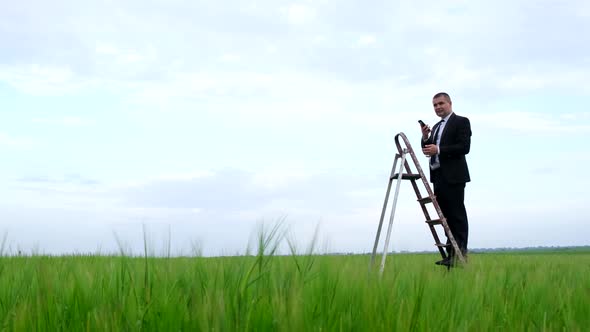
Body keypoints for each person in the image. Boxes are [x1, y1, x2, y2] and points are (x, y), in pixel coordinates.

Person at [420, 92, 471, 267]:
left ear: (450, 103)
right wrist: (426, 137)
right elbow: (428, 150)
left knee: (457, 216)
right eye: (435, 105)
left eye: (441, 103)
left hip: (454, 176)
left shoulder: (461, 122)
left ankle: (460, 253)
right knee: (445, 218)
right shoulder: (435, 127)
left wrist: (439, 149)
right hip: (438, 177)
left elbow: (464, 147)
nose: (438, 107)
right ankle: (451, 253)